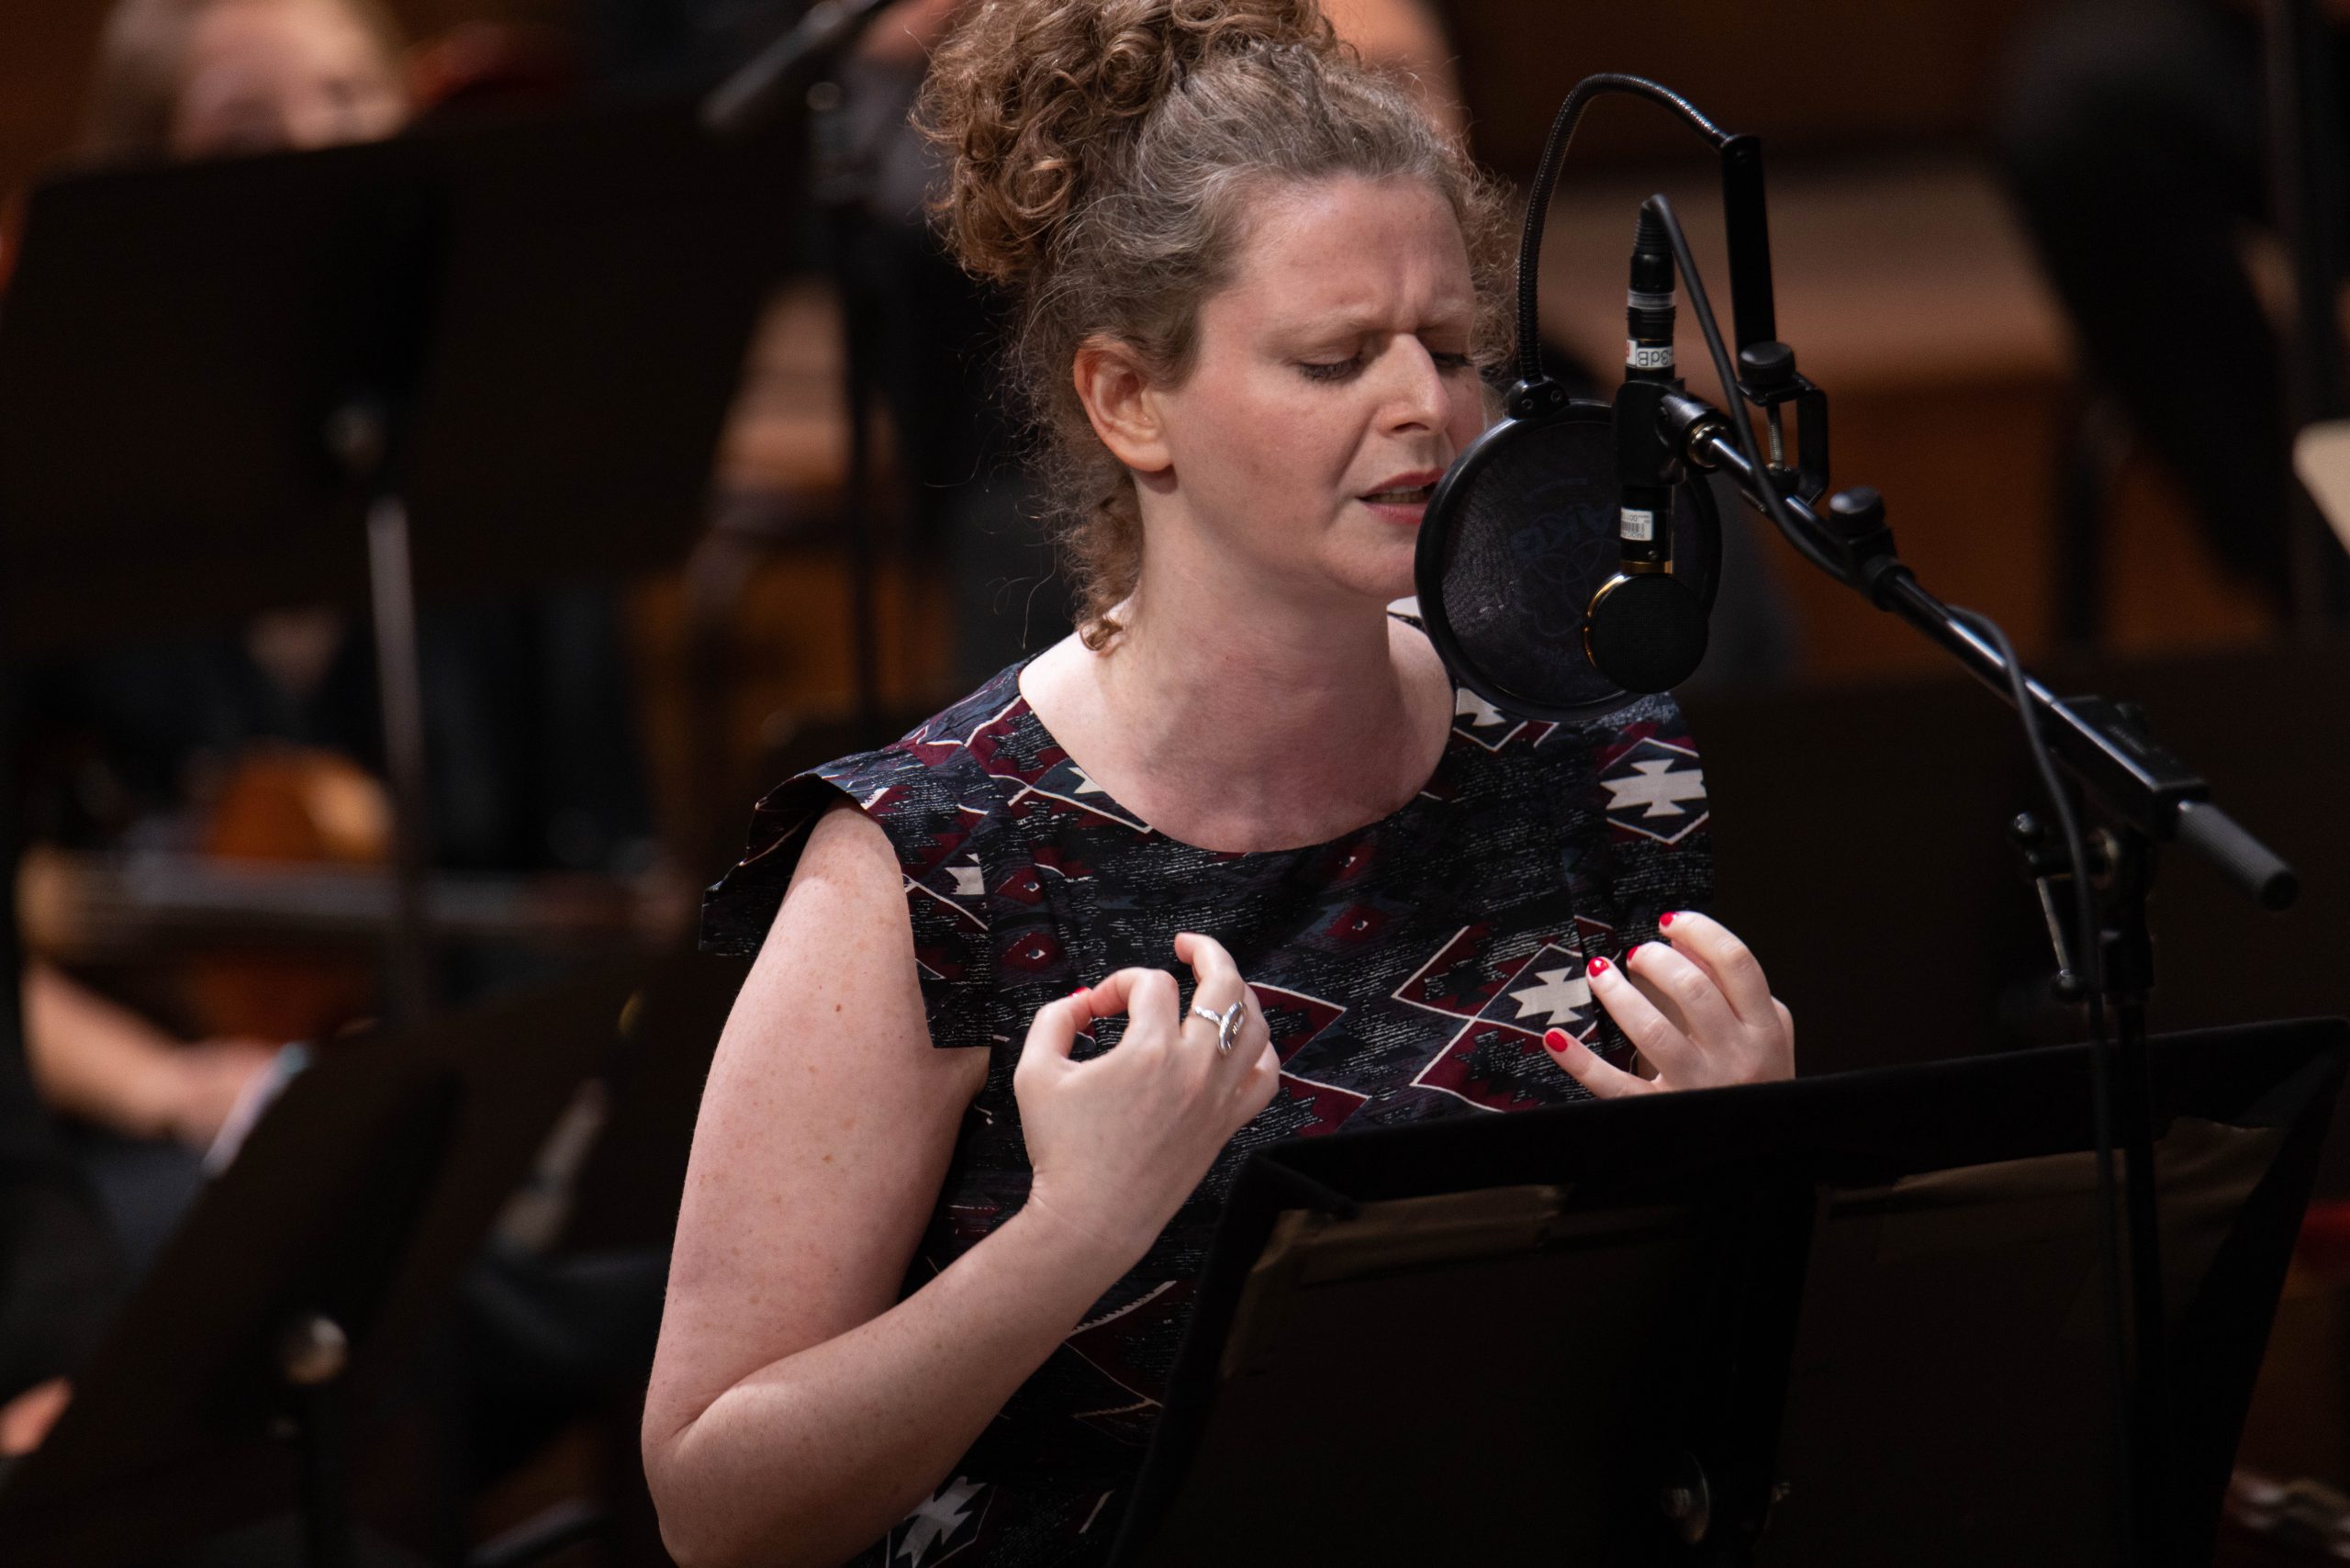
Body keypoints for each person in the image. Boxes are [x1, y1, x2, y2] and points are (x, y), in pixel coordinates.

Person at [643, 3, 1795, 1564]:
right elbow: (716, 1505)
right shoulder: (929, 858)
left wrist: (1747, 1167)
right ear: (1129, 401)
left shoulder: (1590, 752)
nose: (1427, 406)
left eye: (1451, 348)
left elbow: (1687, 1393)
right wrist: (1074, 1230)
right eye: (1335, 360)